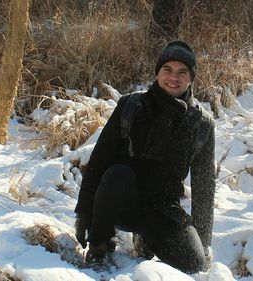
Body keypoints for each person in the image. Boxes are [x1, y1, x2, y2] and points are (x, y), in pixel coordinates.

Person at [74, 40, 215, 273]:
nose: (174, 77)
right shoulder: (132, 105)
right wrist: (84, 214)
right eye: (167, 69)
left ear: (191, 78)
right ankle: (99, 246)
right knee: (117, 173)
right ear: (157, 73)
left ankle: (146, 239)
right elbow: (98, 161)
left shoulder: (200, 123)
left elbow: (204, 188)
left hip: (163, 208)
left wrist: (203, 241)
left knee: (194, 264)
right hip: (120, 201)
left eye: (182, 72)